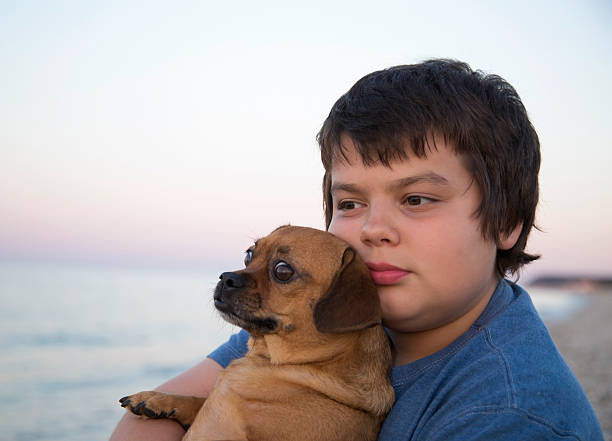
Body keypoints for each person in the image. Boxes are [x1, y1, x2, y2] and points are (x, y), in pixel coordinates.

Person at [110, 59, 604, 440]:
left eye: (416, 199)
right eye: (350, 201)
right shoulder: (316, 321)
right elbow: (145, 419)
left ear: (508, 224)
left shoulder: (507, 418)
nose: (373, 229)